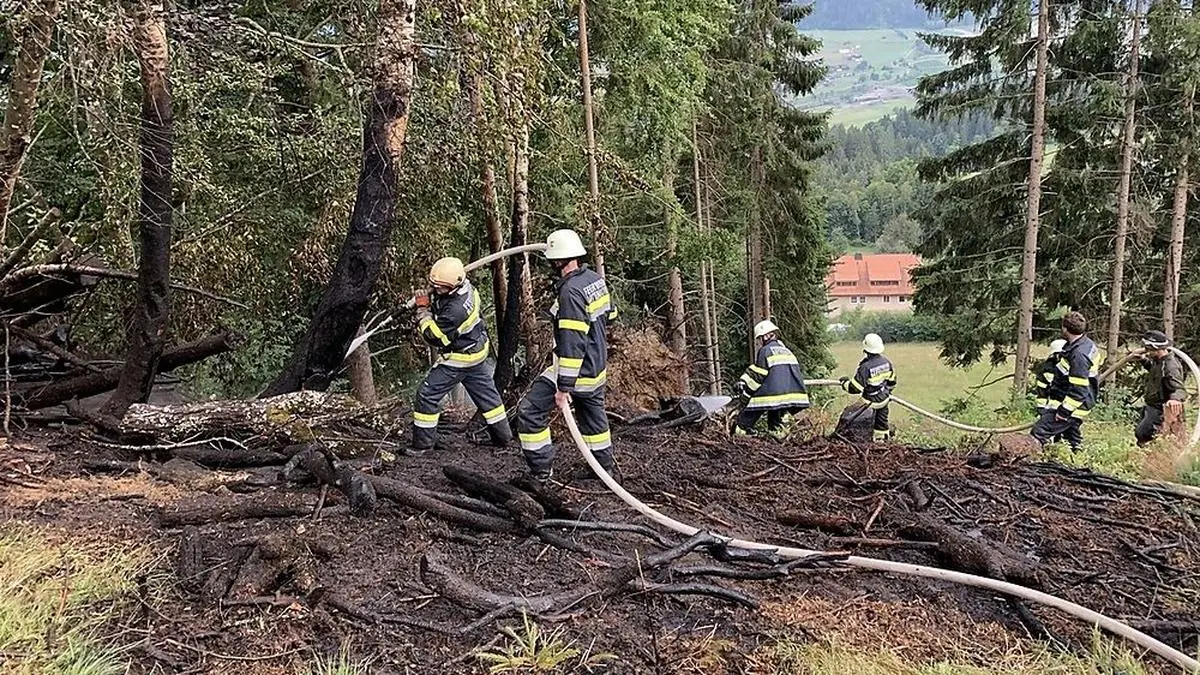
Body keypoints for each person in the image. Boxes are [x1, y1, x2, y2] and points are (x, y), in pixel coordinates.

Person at [515, 230, 618, 482]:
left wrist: (563, 389)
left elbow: (572, 345)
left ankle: (540, 473)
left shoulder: (570, 292)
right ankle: (603, 470)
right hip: (596, 368)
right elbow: (610, 315)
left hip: (575, 372)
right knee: (593, 421)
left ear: (558, 261)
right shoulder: (594, 279)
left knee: (530, 411)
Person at [409, 257, 512, 455]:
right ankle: (503, 437)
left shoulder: (456, 310)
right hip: (477, 352)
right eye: (435, 286)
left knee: (427, 395)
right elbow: (443, 298)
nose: (437, 290)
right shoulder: (467, 287)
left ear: (453, 286)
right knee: (489, 399)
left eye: (441, 288)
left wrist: (423, 310)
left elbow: (435, 337)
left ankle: (422, 446)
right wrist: (433, 293)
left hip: (459, 359)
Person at [1030, 311, 1100, 451]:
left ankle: (1031, 466)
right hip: (1075, 402)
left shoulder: (1078, 355)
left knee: (1039, 431)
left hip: (1074, 406)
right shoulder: (1084, 344)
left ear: (1065, 329)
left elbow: (1079, 390)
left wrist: (1063, 412)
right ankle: (1079, 463)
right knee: (1071, 437)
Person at [734, 319, 810, 435]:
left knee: (745, 419)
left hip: (772, 396)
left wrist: (745, 397)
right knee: (776, 426)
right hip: (790, 397)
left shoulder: (765, 351)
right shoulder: (787, 351)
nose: (760, 341)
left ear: (766, 336)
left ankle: (738, 440)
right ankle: (777, 445)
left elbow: (757, 377)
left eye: (760, 338)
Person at [1133, 330, 1187, 447]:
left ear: (1156, 348)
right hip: (1151, 407)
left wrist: (1175, 399)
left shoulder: (1170, 366)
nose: (1146, 350)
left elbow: (1179, 389)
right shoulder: (1158, 361)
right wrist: (1143, 360)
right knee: (1142, 434)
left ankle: (1155, 457)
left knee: (1143, 433)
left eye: (1148, 348)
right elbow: (1155, 372)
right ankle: (1147, 457)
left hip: (1160, 410)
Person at [840, 333, 896, 442]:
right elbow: (892, 382)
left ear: (865, 349)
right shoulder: (886, 362)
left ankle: (866, 446)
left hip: (868, 404)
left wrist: (844, 383)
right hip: (884, 401)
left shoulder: (865, 367)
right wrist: (885, 392)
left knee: (862, 425)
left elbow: (855, 388)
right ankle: (882, 444)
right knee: (881, 424)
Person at [1034, 339, 1068, 414]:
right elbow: (1041, 391)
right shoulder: (1047, 369)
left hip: (1068, 408)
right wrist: (1041, 408)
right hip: (1052, 409)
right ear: (1055, 355)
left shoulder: (1073, 367)